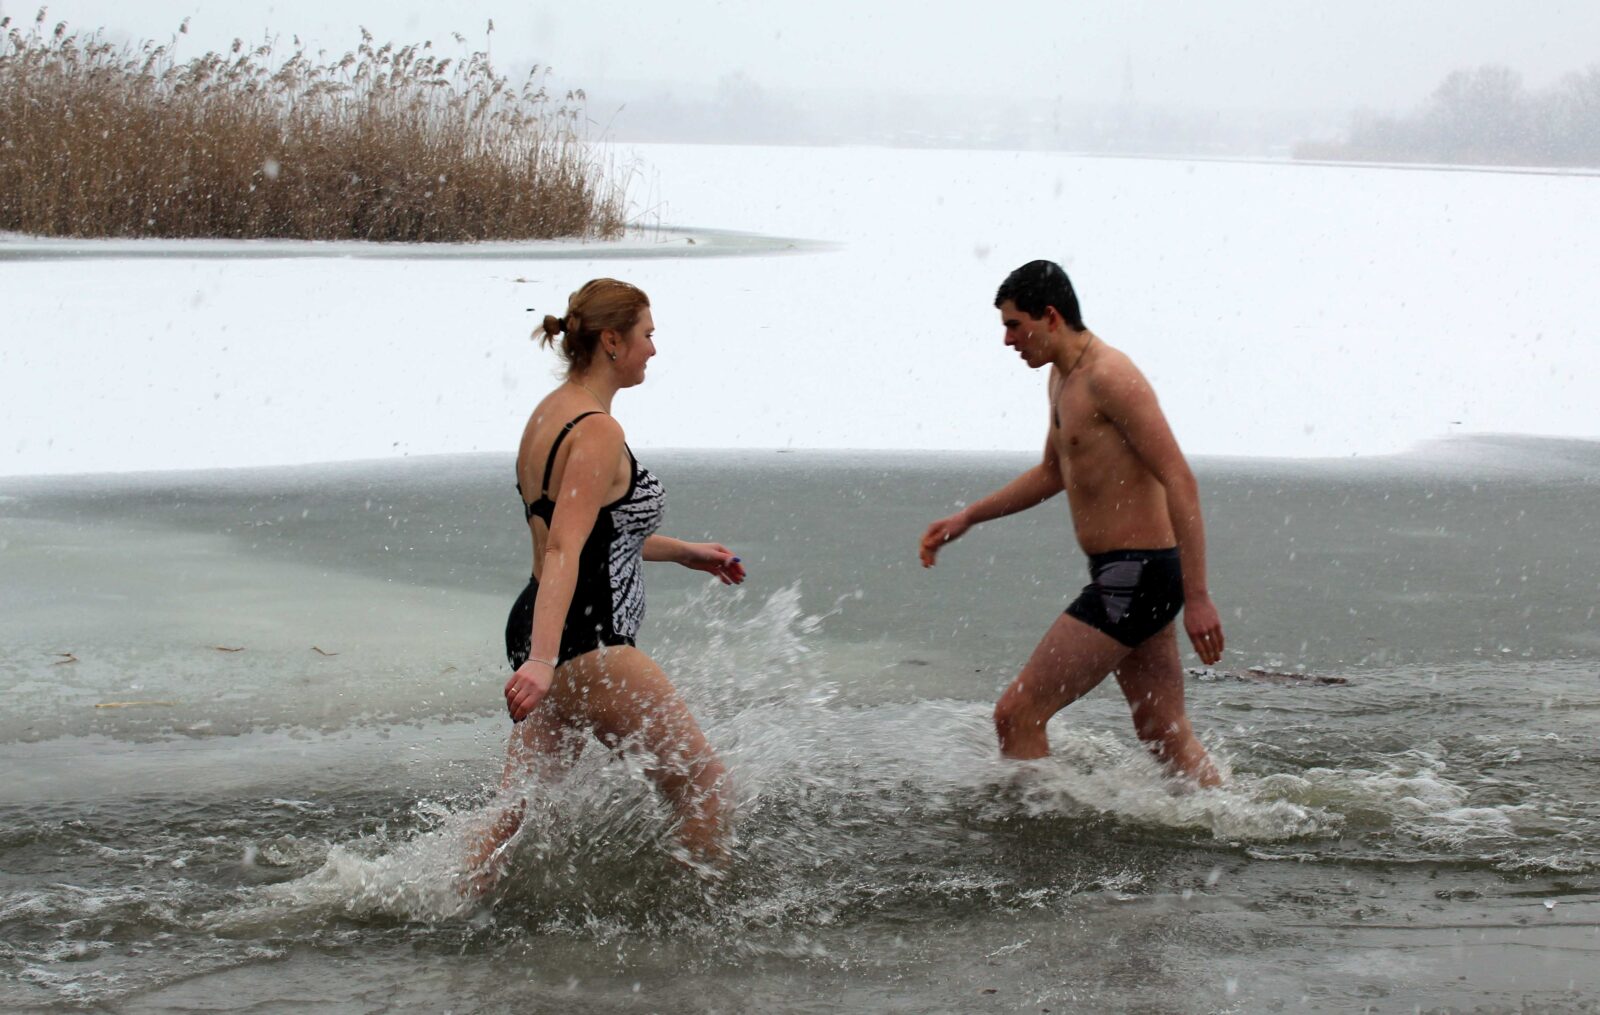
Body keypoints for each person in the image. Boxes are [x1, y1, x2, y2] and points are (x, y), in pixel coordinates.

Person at [468, 278, 745, 890]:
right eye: (647, 335)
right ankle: (686, 926)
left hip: (541, 620)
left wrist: (682, 553)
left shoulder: (550, 412)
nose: (654, 349)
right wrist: (544, 661)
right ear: (613, 342)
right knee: (705, 788)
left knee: (512, 814)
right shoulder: (597, 431)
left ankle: (436, 901)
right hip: (585, 635)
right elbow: (567, 546)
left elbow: (587, 534)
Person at [919, 260, 1224, 787]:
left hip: (1137, 576)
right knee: (1162, 729)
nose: (1008, 340)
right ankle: (1232, 818)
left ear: (1051, 316)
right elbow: (1052, 472)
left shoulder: (1110, 376)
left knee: (1017, 713)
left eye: (1015, 325)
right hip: (1132, 576)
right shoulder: (1062, 378)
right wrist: (968, 517)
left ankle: (1034, 841)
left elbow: (1180, 479)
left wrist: (1197, 596)